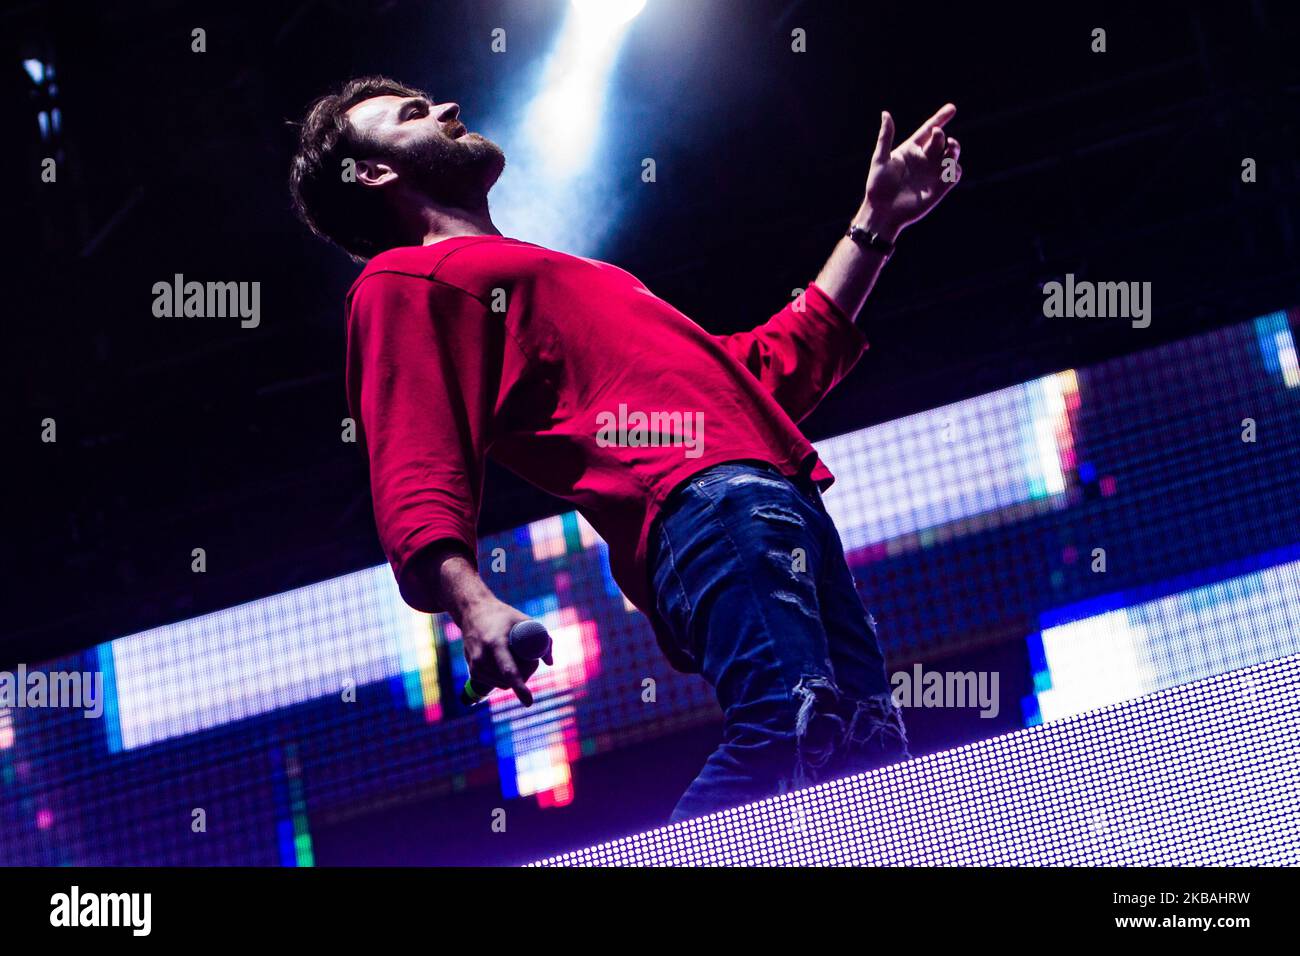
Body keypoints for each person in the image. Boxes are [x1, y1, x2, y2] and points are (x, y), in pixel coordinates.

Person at [290, 76, 962, 821]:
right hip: (706, 507)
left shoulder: (563, 276)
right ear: (374, 172)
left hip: (773, 504)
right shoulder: (400, 281)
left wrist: (875, 224)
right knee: (787, 727)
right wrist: (471, 603)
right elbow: (414, 458)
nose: (447, 109)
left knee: (866, 760)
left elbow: (759, 376)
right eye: (413, 115)